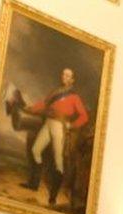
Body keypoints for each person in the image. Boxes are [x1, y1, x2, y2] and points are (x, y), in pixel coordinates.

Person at [20, 68, 89, 204]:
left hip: (59, 127)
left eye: (68, 75)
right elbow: (44, 104)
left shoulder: (74, 97)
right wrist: (31, 108)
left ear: (72, 80)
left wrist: (72, 125)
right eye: (63, 74)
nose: (64, 76)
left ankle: (53, 197)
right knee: (36, 150)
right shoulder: (55, 92)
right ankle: (34, 184)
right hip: (48, 123)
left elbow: (84, 116)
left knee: (58, 161)